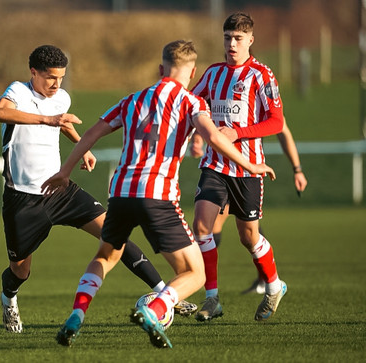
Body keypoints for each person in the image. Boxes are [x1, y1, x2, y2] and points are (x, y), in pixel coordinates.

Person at [42, 40, 275, 348]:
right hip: (157, 196)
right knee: (196, 273)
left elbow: (92, 133)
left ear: (160, 68)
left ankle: (77, 315)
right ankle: (155, 310)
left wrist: (65, 171)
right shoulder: (191, 103)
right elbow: (214, 137)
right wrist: (250, 164)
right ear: (192, 73)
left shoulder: (132, 100)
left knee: (105, 255)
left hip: (121, 193)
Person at [0, 44, 196, 334]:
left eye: (61, 77)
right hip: (23, 199)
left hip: (61, 191)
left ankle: (165, 293)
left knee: (115, 236)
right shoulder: (17, 92)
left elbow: (62, 124)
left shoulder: (60, 97)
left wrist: (81, 146)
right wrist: (48, 120)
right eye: (50, 77)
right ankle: (9, 299)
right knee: (20, 270)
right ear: (33, 72)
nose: (56, 84)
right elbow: (0, 113)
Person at [189, 12, 288, 322]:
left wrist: (238, 132)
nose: (231, 44)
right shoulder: (213, 72)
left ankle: (274, 286)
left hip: (247, 169)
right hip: (214, 164)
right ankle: (212, 298)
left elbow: (276, 121)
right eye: (227, 38)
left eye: (238, 39)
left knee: (248, 237)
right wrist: (194, 134)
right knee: (202, 227)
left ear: (250, 40)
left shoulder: (261, 75)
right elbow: (191, 102)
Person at [190, 120, 308, 294]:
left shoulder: (261, 97)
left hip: (246, 176)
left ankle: (266, 281)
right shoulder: (218, 93)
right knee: (211, 227)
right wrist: (197, 138)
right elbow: (205, 118)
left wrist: (297, 169)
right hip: (221, 171)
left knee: (248, 232)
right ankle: (199, 282)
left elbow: (282, 130)